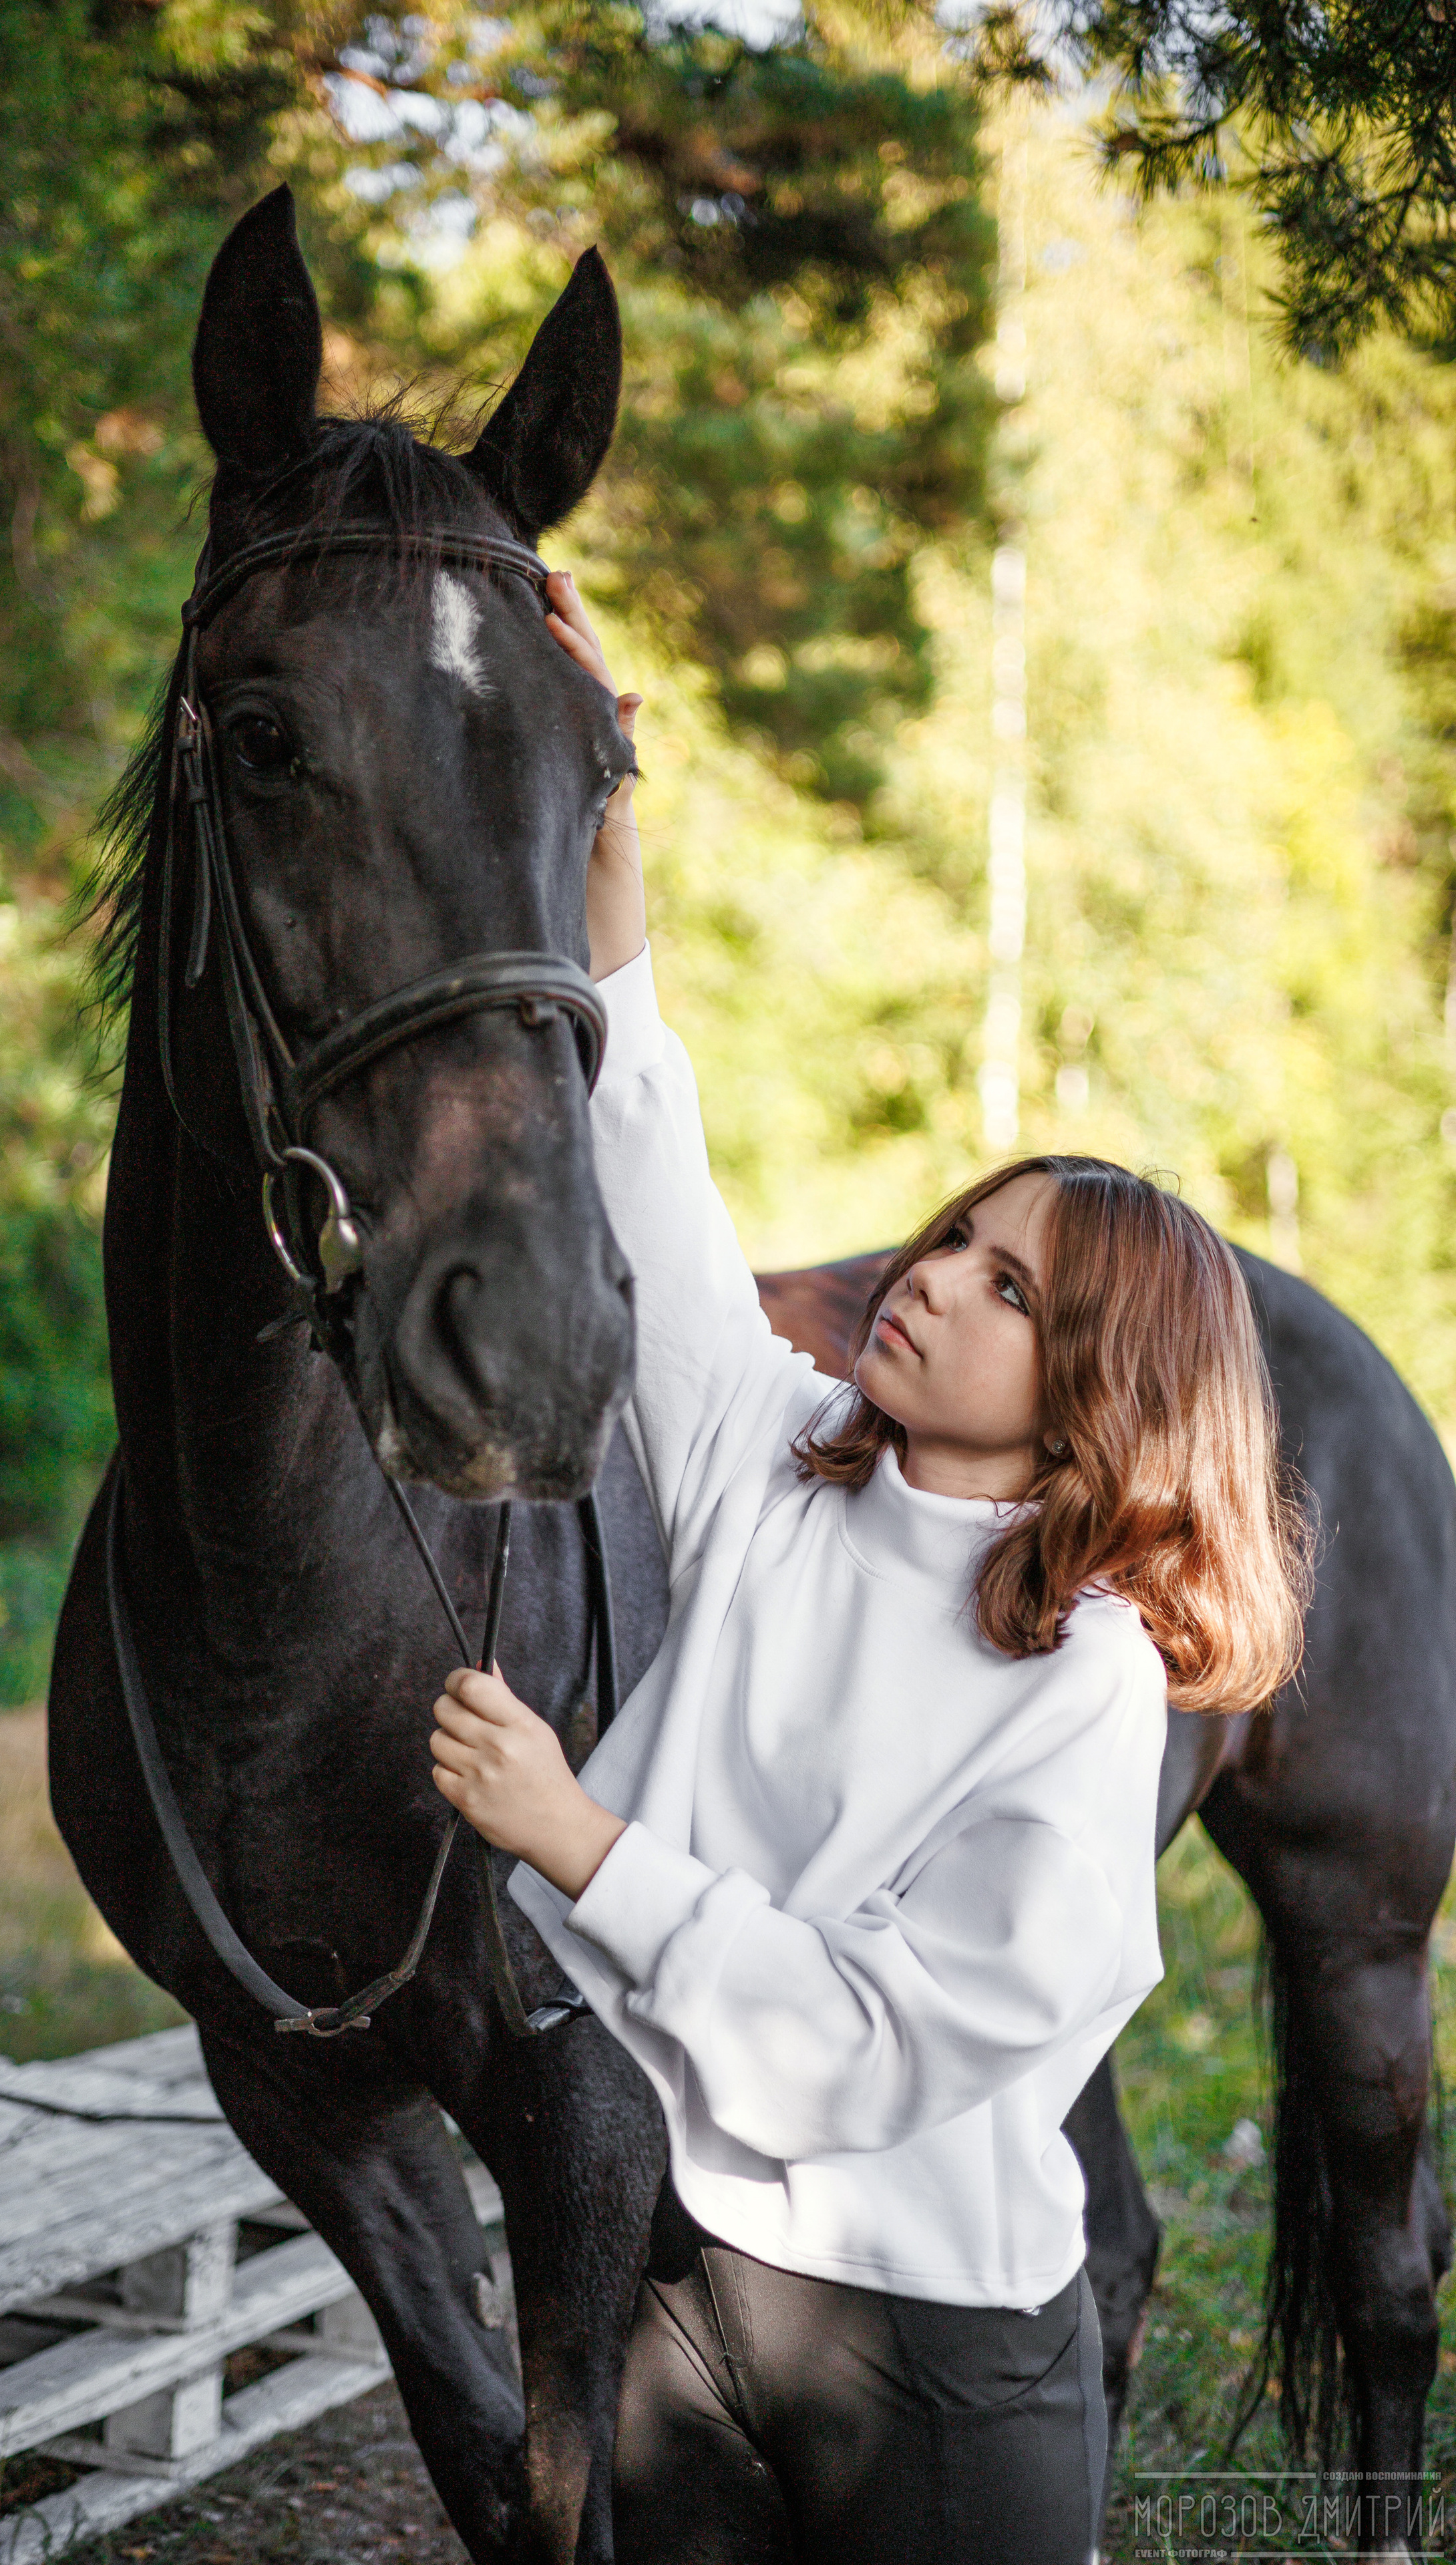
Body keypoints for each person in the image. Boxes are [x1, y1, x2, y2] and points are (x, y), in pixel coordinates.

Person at [429, 574, 1310, 2565]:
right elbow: (653, 1179)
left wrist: (579, 1841)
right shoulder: (780, 1471)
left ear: (1103, 1389)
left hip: (932, 2353)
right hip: (688, 2294)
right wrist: (608, 837)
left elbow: (869, 2044)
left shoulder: (1082, 1675)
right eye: (954, 1238)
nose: (930, 1280)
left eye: (1010, 1291)